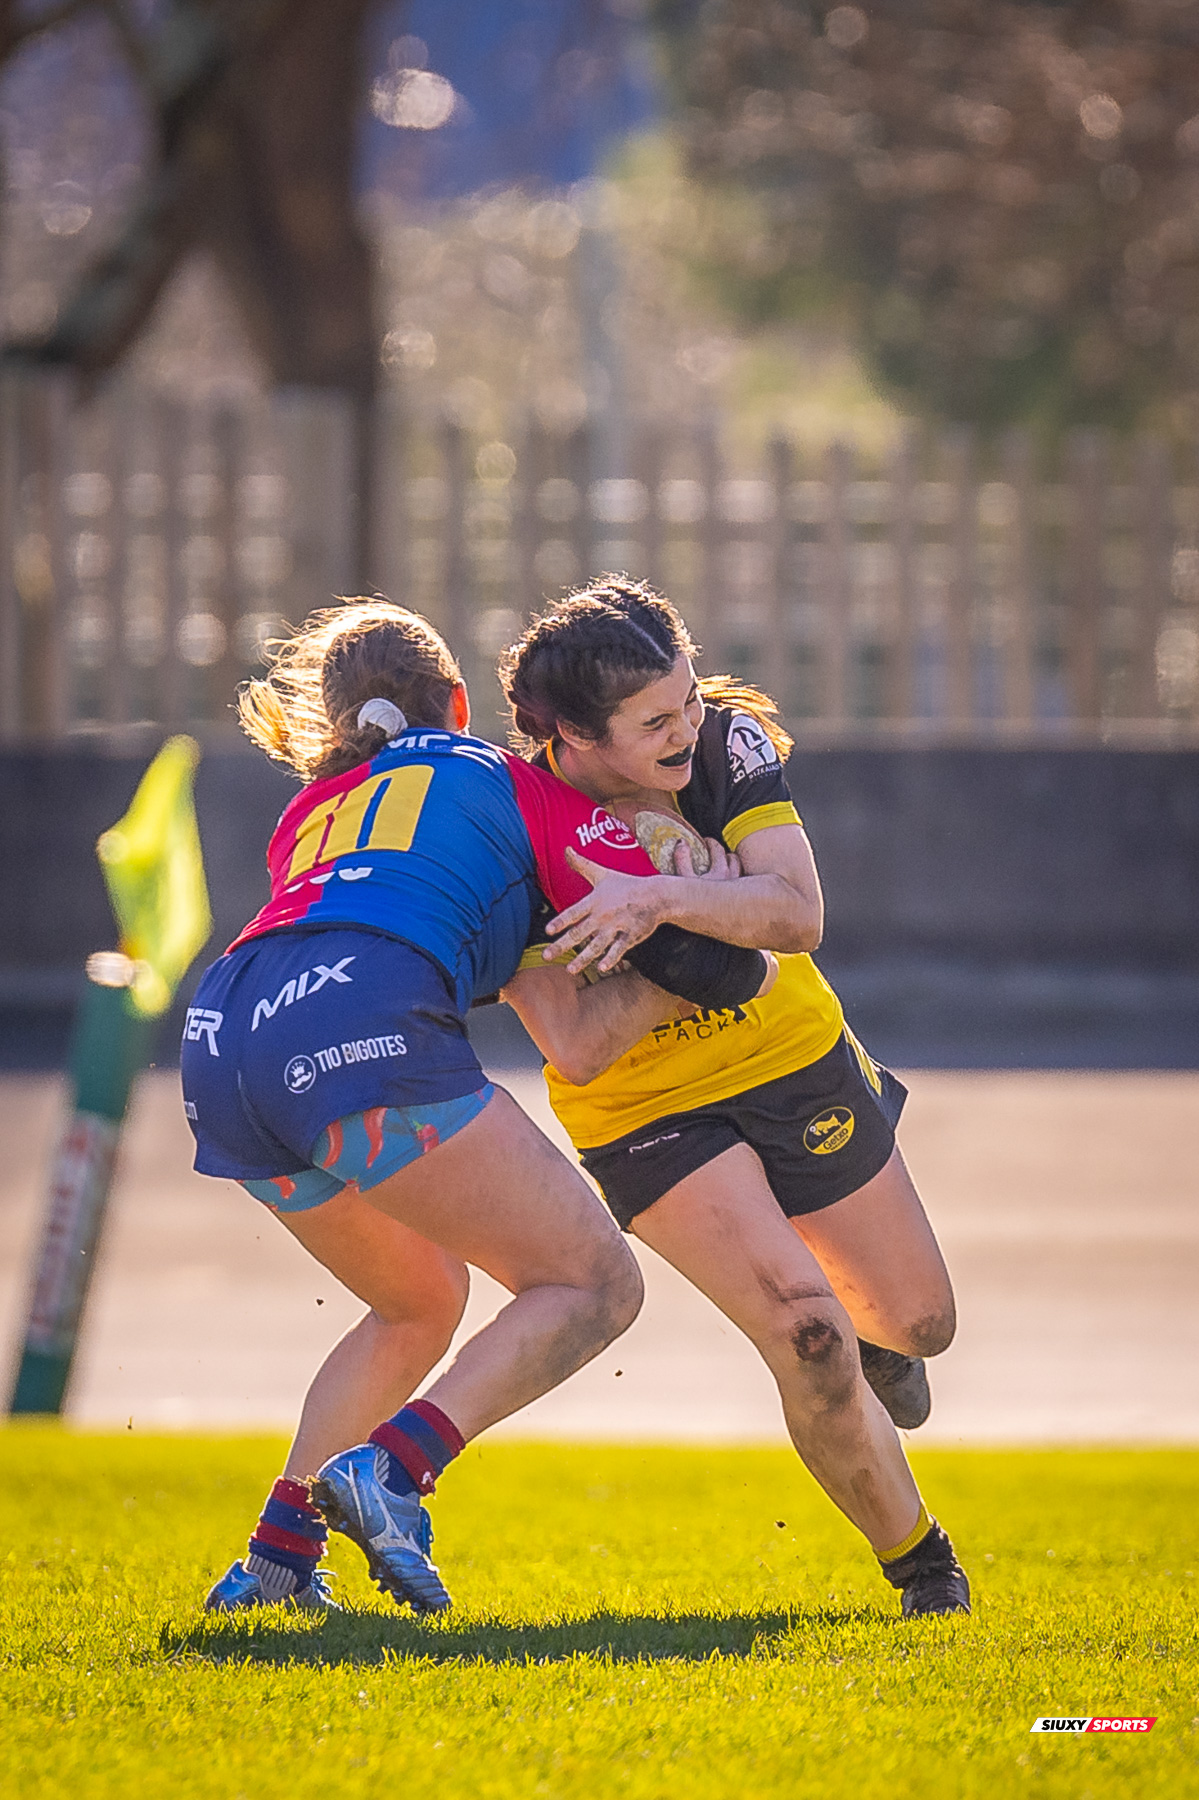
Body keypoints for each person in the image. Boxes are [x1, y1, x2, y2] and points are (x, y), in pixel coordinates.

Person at [185, 598, 769, 1615]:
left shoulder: (306, 815)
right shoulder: (505, 776)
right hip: (357, 1028)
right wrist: (728, 931)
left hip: (223, 1041)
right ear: (458, 703)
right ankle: (392, 1472)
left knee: (417, 1302)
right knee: (591, 1284)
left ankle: (277, 1558)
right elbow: (671, 980)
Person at [496, 578, 970, 1618]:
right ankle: (920, 1563)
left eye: (687, 699)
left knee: (920, 1322)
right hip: (641, 1111)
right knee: (807, 1330)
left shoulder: (725, 745)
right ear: (574, 734)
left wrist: (656, 900)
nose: (687, 726)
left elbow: (795, 916)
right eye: (655, 719)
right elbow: (576, 1046)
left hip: (792, 1056)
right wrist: (708, 927)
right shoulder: (514, 823)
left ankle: (883, 1337)